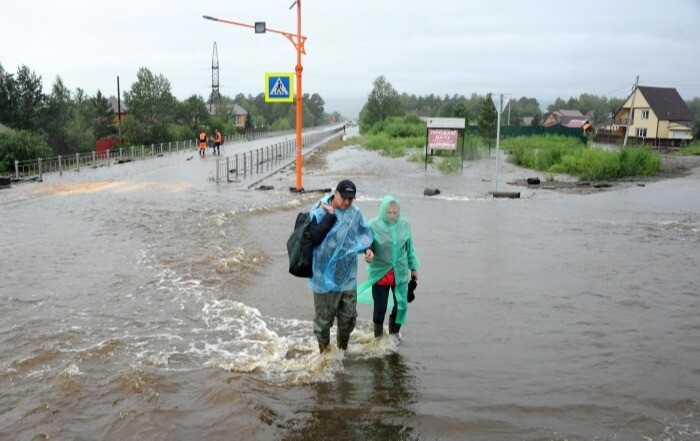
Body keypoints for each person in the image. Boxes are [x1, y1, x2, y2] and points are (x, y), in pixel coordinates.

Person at [308, 179, 375, 353]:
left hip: (348, 277)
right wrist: (330, 216)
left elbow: (365, 233)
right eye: (343, 198)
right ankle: (324, 355)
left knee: (348, 318)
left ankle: (342, 352)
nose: (346, 202)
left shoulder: (355, 214)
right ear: (335, 193)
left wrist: (369, 249)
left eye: (350, 199)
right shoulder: (320, 209)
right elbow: (314, 237)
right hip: (323, 278)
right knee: (323, 321)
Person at [358, 195, 420, 338]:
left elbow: (409, 248)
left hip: (401, 273)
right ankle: (378, 338)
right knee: (380, 309)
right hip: (381, 273)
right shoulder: (373, 225)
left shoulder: (404, 224)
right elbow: (366, 243)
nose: (392, 216)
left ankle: (393, 336)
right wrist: (368, 253)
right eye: (389, 212)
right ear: (383, 211)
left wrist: (414, 268)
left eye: (395, 212)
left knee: (401, 306)